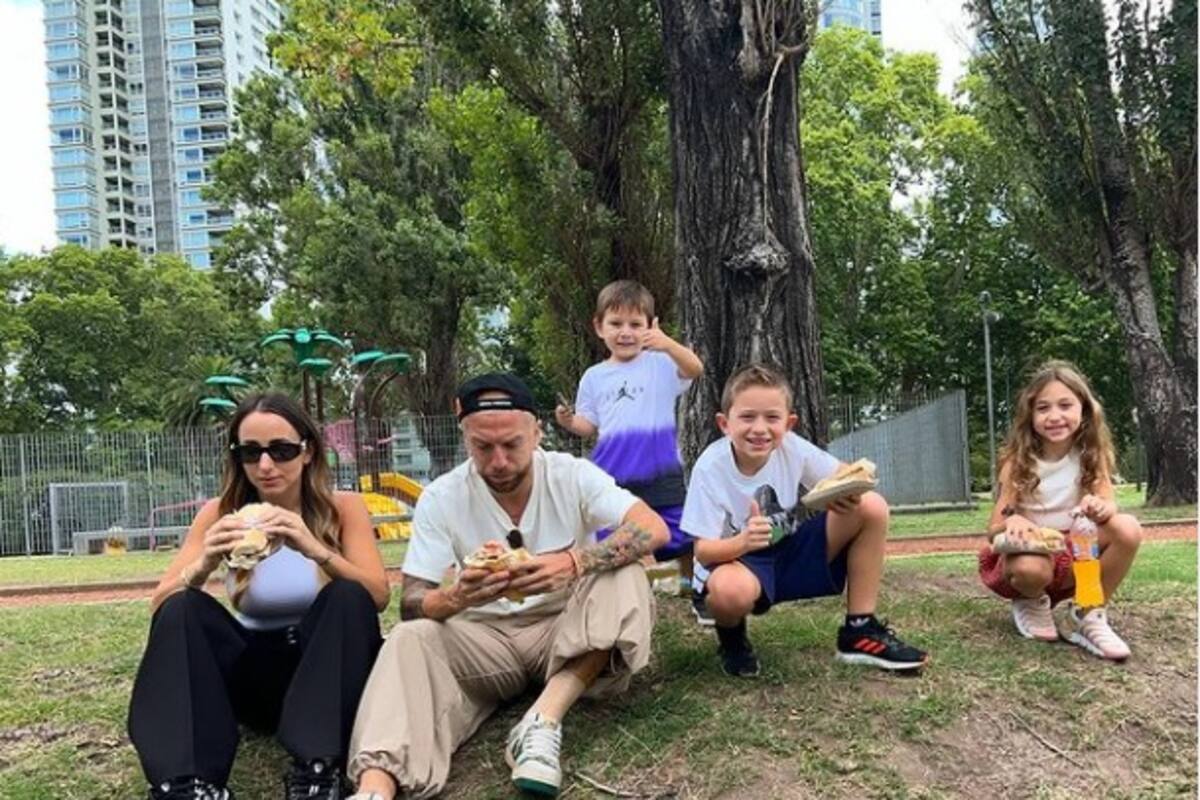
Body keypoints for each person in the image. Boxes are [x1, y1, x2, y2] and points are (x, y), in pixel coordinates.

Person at [346, 373, 668, 800]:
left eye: (512, 444)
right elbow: (412, 602)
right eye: (483, 447)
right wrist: (456, 596)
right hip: (483, 640)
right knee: (409, 639)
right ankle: (375, 786)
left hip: (564, 631)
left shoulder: (571, 475)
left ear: (536, 433)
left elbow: (652, 528)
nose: (498, 461)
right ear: (465, 440)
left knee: (624, 573)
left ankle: (541, 722)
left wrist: (573, 562)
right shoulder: (441, 496)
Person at [127, 393, 390, 800]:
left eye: (281, 450)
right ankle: (186, 783)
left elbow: (377, 595)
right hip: (255, 674)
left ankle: (318, 772)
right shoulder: (221, 513)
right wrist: (205, 562)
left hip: (326, 673)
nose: (266, 465)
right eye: (251, 452)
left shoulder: (343, 507)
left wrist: (315, 548)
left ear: (307, 452)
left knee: (346, 595)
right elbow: (161, 605)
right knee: (182, 606)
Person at [680, 364, 928, 677]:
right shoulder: (710, 467)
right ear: (724, 424)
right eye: (747, 417)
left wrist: (842, 491)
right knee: (730, 591)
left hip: (787, 550)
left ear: (789, 423)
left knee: (871, 506)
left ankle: (859, 630)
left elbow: (846, 474)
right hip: (736, 561)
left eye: (772, 417)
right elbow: (703, 551)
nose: (760, 428)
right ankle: (732, 639)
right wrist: (743, 541)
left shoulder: (791, 447)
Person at [554, 279, 707, 621]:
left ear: (651, 326)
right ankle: (633, 598)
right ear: (599, 327)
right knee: (620, 541)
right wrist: (568, 421)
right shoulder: (594, 377)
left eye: (636, 324)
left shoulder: (661, 363)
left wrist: (667, 344)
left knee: (687, 533)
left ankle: (693, 587)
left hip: (661, 469)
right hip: (613, 475)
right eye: (616, 323)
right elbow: (589, 426)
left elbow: (695, 368)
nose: (626, 332)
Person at [979, 360, 1141, 660]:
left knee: (1128, 527)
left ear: (1084, 409)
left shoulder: (1091, 456)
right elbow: (994, 529)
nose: (1054, 416)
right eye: (1043, 408)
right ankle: (1031, 599)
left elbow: (1109, 505)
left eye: (1065, 405)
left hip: (1078, 552)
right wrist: (1013, 519)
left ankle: (1085, 612)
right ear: (1030, 415)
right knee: (1030, 568)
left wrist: (1099, 506)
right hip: (1032, 555)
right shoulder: (1017, 462)